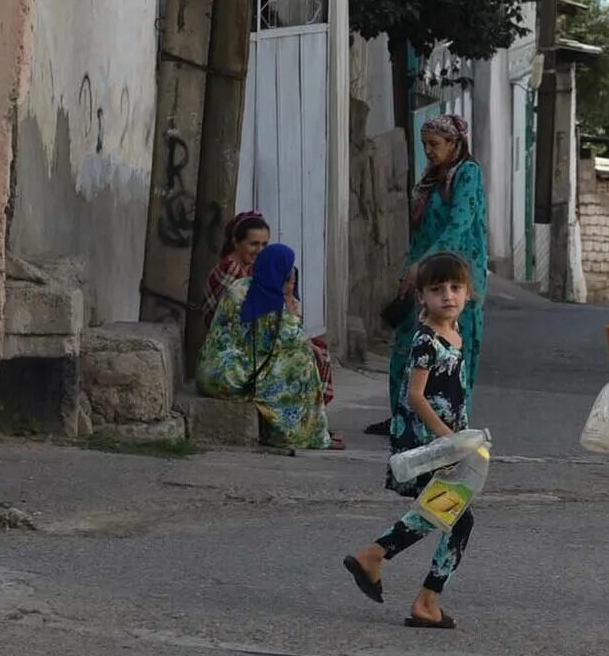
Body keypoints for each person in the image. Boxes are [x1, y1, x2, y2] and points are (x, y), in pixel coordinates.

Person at [344, 253, 476, 629]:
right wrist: (447, 437)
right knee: (454, 516)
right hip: (424, 446)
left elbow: (454, 393)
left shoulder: (455, 336)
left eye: (455, 288)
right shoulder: (426, 342)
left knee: (441, 513)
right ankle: (420, 596)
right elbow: (416, 397)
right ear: (421, 297)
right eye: (437, 290)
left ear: (467, 294)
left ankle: (380, 560)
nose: (447, 296)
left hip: (445, 444)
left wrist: (464, 435)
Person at [386, 113, 488, 436]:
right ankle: (402, 418)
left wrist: (423, 265)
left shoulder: (467, 174)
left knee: (454, 354)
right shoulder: (432, 178)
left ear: (454, 144)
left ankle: (453, 425)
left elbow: (458, 224)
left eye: (435, 144)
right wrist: (410, 268)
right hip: (422, 274)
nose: (428, 151)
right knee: (409, 344)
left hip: (454, 275)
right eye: (424, 144)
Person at [196, 242, 336, 450]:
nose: (291, 281)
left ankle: (305, 426)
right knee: (303, 359)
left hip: (210, 371)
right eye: (289, 275)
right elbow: (292, 338)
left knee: (298, 354)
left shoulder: (241, 286)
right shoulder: (272, 304)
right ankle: (293, 432)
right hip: (234, 379)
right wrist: (291, 310)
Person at [208, 211, 335, 409]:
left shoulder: (254, 270)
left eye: (264, 245)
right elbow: (248, 322)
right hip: (234, 349)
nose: (259, 250)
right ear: (236, 242)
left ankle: (313, 416)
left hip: (246, 342)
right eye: (253, 244)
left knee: (315, 349)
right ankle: (301, 419)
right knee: (304, 356)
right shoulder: (233, 270)